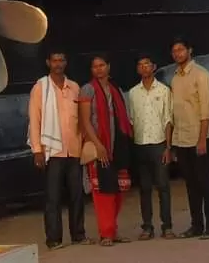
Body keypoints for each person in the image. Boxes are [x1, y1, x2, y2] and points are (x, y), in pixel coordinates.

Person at [28, 49, 92, 250]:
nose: (58, 64)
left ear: (66, 63)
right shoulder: (40, 87)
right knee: (53, 198)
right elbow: (34, 119)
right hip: (52, 150)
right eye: (54, 60)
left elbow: (82, 119)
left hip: (73, 149)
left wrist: (84, 143)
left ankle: (78, 235)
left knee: (76, 195)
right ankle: (54, 239)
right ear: (48, 63)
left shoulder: (74, 87)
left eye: (61, 60)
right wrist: (37, 149)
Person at [78, 53, 133, 246]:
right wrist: (99, 145)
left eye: (102, 65)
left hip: (117, 145)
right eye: (95, 66)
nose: (99, 69)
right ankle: (106, 233)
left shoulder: (115, 88)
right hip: (99, 145)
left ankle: (113, 230)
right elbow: (85, 122)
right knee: (103, 191)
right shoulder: (87, 90)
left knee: (119, 188)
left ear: (109, 66)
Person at [170, 37, 209, 239]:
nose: (178, 54)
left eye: (181, 50)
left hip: (198, 137)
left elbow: (206, 111)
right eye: (174, 51)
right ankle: (196, 225)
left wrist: (202, 139)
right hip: (181, 138)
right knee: (190, 184)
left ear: (190, 50)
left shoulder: (202, 75)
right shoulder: (175, 78)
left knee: (205, 181)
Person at [127, 51, 175, 240]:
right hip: (140, 145)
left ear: (154, 67)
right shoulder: (132, 93)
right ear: (138, 69)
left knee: (163, 186)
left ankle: (167, 226)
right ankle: (147, 227)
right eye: (140, 64)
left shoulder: (163, 91)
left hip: (159, 144)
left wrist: (168, 147)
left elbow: (168, 120)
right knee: (145, 188)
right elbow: (131, 121)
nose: (144, 67)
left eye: (147, 64)